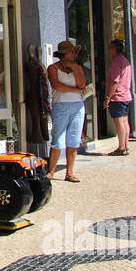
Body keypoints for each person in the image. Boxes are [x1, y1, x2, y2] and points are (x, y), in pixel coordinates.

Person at [46, 40, 87, 182]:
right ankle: (51, 171)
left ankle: (69, 172)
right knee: (58, 138)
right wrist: (77, 90)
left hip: (77, 106)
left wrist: (74, 68)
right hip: (61, 105)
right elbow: (57, 86)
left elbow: (82, 83)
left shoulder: (78, 68)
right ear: (67, 53)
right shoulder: (52, 68)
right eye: (72, 51)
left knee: (74, 139)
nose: (74, 54)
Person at [104, 39, 132, 156]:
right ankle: (125, 146)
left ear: (115, 49)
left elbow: (115, 82)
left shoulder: (116, 62)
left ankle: (121, 147)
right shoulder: (125, 61)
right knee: (125, 121)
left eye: (110, 48)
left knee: (119, 122)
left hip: (118, 96)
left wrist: (108, 97)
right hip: (126, 95)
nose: (108, 51)